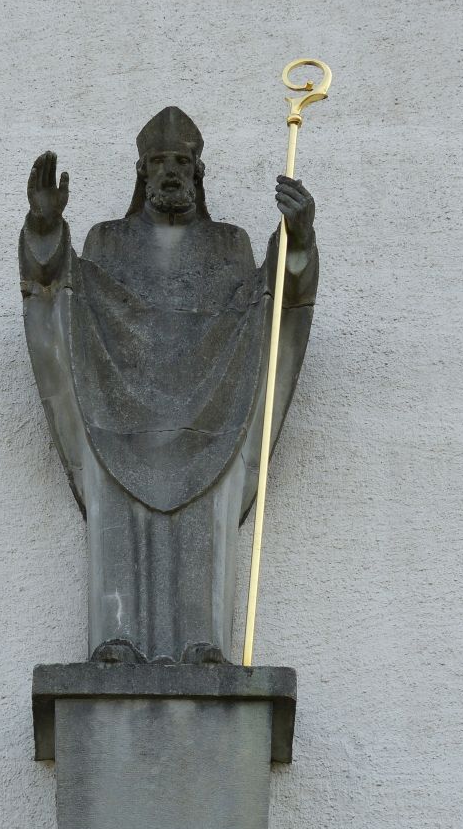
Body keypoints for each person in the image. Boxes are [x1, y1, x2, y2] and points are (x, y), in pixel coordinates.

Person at [19, 107, 318, 664]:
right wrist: (44, 226)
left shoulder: (229, 244)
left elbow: (271, 299)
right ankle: (116, 642)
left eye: (182, 161)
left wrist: (296, 238)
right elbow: (61, 286)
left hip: (213, 408)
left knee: (203, 517)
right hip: (116, 409)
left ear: (198, 173)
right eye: (159, 162)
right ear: (142, 172)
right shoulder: (107, 241)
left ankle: (203, 645)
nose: (171, 171)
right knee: (118, 517)